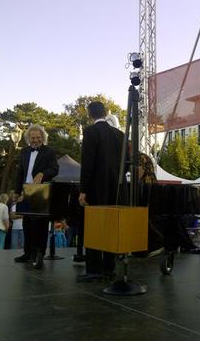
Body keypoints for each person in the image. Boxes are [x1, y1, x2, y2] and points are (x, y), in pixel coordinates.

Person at [78, 101, 126, 282]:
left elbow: (88, 163)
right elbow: (126, 163)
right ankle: (109, 268)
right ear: (105, 113)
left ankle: (94, 269)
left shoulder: (90, 132)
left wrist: (83, 190)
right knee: (111, 228)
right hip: (116, 190)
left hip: (96, 189)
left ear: (90, 114)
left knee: (94, 228)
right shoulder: (119, 134)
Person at [14, 124, 59, 269]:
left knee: (40, 224)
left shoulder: (49, 152)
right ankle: (27, 253)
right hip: (26, 191)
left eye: (38, 137)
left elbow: (54, 169)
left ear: (43, 138)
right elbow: (20, 172)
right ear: (28, 138)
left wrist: (42, 174)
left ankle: (39, 254)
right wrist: (16, 191)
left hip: (40, 192)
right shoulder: (24, 152)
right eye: (33, 138)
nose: (35, 140)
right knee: (27, 223)